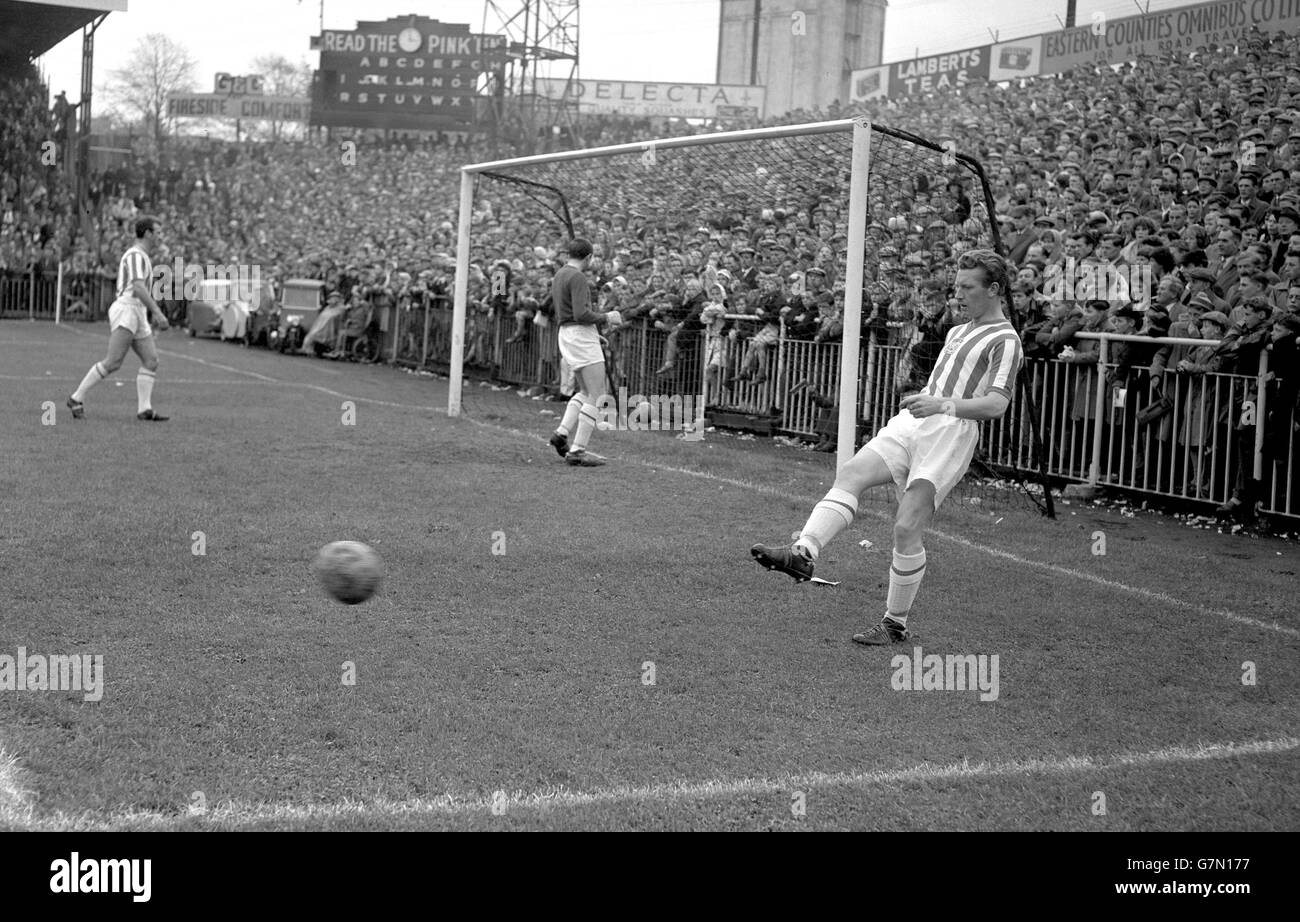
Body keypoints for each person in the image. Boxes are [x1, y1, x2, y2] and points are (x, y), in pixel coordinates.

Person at [751, 250, 1023, 646]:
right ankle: (803, 554)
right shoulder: (957, 330)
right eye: (957, 285)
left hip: (950, 435)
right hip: (916, 421)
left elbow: (997, 404)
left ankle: (895, 623)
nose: (958, 294)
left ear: (994, 289)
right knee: (852, 473)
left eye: (967, 287)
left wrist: (941, 404)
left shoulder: (1006, 339)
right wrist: (927, 398)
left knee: (906, 527)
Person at [66, 215, 170, 421]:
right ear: (148, 233)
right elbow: (138, 287)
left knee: (151, 360)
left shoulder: (142, 256)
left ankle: (144, 409)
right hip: (127, 309)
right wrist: (157, 312)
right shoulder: (134, 255)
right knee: (113, 362)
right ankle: (77, 397)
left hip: (137, 310)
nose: (159, 237)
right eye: (157, 232)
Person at [548, 238, 618, 467]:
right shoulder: (578, 277)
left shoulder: (560, 274)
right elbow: (581, 313)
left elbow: (570, 313)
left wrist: (591, 333)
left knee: (586, 390)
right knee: (597, 394)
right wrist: (607, 317)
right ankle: (578, 450)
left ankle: (561, 434)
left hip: (568, 334)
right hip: (578, 333)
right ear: (588, 257)